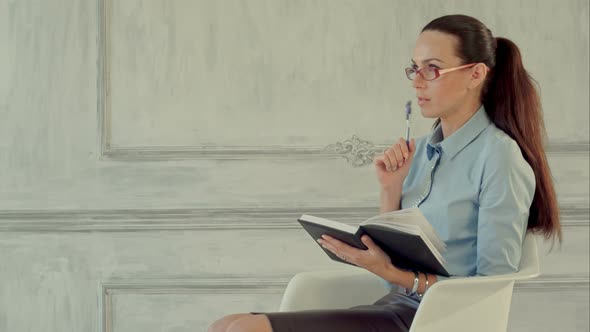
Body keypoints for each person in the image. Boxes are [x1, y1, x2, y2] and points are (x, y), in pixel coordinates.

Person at [207, 14, 562, 332]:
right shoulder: (420, 151)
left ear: (475, 74)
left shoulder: (499, 156)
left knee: (243, 329)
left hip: (441, 320)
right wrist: (390, 189)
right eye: (415, 68)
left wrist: (389, 272)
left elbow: (491, 285)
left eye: (432, 69)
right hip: (395, 306)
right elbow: (395, 261)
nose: (417, 81)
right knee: (227, 324)